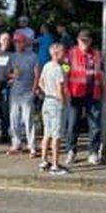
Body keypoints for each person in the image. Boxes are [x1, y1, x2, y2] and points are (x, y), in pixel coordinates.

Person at [65, 29, 106, 165]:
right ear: (78, 41)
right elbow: (64, 71)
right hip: (75, 93)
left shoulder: (96, 54)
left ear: (90, 41)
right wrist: (65, 89)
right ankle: (71, 151)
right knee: (73, 124)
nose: (85, 42)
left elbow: (101, 73)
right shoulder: (70, 53)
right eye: (82, 40)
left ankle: (93, 152)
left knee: (95, 125)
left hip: (93, 93)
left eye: (87, 40)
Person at [7, 31, 40, 156]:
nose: (17, 44)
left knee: (28, 120)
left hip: (27, 92)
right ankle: (16, 143)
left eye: (20, 41)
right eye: (15, 42)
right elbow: (6, 74)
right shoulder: (12, 56)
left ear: (25, 43)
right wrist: (12, 75)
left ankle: (32, 146)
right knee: (14, 119)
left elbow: (37, 74)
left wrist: (33, 90)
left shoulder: (33, 56)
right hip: (15, 92)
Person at [38, 43, 69, 174]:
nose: (65, 55)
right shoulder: (58, 69)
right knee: (57, 135)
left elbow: (40, 82)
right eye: (62, 52)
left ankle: (44, 160)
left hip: (47, 101)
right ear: (56, 53)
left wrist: (47, 92)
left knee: (47, 133)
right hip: (56, 103)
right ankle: (55, 165)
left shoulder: (46, 65)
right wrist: (64, 103)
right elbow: (60, 89)